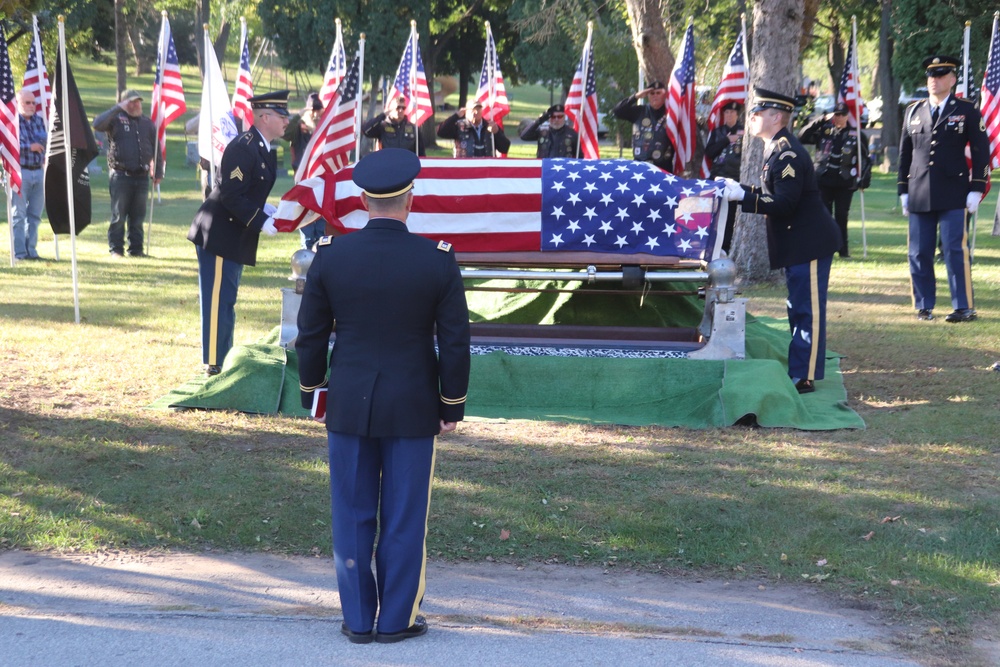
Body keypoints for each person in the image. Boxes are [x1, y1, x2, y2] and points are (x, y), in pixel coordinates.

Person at [295, 148, 471, 645]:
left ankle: (357, 619)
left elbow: (311, 336)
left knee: (352, 512)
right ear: (408, 200)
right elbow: (455, 340)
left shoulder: (331, 254)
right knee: (404, 514)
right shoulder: (436, 258)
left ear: (364, 200)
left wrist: (314, 393)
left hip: (348, 401)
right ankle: (396, 620)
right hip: (414, 404)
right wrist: (451, 404)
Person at [718, 88, 841, 394]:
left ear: (776, 117)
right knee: (796, 307)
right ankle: (801, 368)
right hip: (798, 243)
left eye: (757, 114)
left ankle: (805, 374)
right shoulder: (776, 148)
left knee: (806, 309)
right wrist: (742, 190)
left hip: (809, 242)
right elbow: (777, 196)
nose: (752, 118)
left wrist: (744, 196)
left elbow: (785, 204)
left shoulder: (787, 153)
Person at [187, 91, 290, 376]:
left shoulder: (264, 147)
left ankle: (223, 354)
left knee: (227, 299)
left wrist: (264, 208)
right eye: (282, 116)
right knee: (217, 300)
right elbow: (231, 195)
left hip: (234, 233)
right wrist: (260, 220)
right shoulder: (244, 147)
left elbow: (247, 190)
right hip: (219, 232)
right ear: (264, 117)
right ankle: (213, 362)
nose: (286, 122)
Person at [898, 55, 990, 323]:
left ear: (952, 79)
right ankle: (924, 305)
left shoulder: (967, 109)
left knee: (953, 249)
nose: (933, 81)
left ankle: (963, 306)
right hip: (918, 191)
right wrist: (903, 189)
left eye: (940, 76)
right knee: (918, 250)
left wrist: (977, 188)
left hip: (953, 191)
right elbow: (905, 154)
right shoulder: (913, 111)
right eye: (930, 76)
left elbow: (981, 152)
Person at [92, 89, 162, 258]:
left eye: (138, 101)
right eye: (131, 101)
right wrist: (117, 108)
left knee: (138, 218)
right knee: (119, 216)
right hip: (121, 175)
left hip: (142, 176)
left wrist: (158, 172)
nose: (136, 104)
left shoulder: (147, 123)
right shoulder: (114, 120)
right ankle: (116, 249)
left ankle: (136, 250)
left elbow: (156, 149)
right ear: (124, 103)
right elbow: (97, 124)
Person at [799, 101, 870, 258]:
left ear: (847, 116)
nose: (838, 118)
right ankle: (823, 248)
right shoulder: (824, 131)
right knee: (823, 215)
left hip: (845, 182)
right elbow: (802, 136)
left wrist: (864, 179)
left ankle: (843, 250)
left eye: (842, 115)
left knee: (841, 216)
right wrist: (821, 119)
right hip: (823, 180)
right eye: (836, 114)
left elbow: (865, 159)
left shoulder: (856, 134)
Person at [284, 92, 327, 249]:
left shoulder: (325, 129)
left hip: (322, 183)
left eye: (318, 110)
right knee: (307, 229)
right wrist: (299, 116)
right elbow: (286, 133)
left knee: (322, 230)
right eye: (312, 110)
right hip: (303, 182)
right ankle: (306, 259)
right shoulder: (298, 129)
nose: (315, 114)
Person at [12, 89, 47, 261]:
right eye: (27, 102)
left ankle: (31, 251)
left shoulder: (39, 121)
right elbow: (6, 147)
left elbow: (44, 143)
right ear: (18, 103)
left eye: (34, 103)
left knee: (35, 215)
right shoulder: (11, 122)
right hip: (20, 171)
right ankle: (19, 253)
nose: (32, 106)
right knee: (18, 214)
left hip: (38, 172)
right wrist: (29, 147)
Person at [611, 80, 676, 173]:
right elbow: (617, 111)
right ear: (647, 95)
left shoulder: (671, 113)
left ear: (664, 95)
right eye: (652, 93)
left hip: (664, 166)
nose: (655, 96)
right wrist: (635, 97)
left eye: (658, 93)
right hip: (640, 166)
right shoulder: (640, 111)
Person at [704, 101, 744, 253]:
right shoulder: (718, 132)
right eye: (726, 113)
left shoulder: (744, 132)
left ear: (737, 115)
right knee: (716, 212)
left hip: (735, 178)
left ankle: (727, 246)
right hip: (718, 177)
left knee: (731, 215)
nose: (729, 115)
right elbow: (709, 152)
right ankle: (715, 245)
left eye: (732, 113)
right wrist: (726, 140)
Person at [436, 102, 511, 157]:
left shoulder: (490, 126)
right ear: (465, 112)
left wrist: (497, 133)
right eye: (472, 109)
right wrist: (456, 116)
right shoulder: (459, 126)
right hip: (465, 170)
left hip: (486, 169)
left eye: (478, 109)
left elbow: (505, 148)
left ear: (482, 111)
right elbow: (440, 131)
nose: (475, 112)